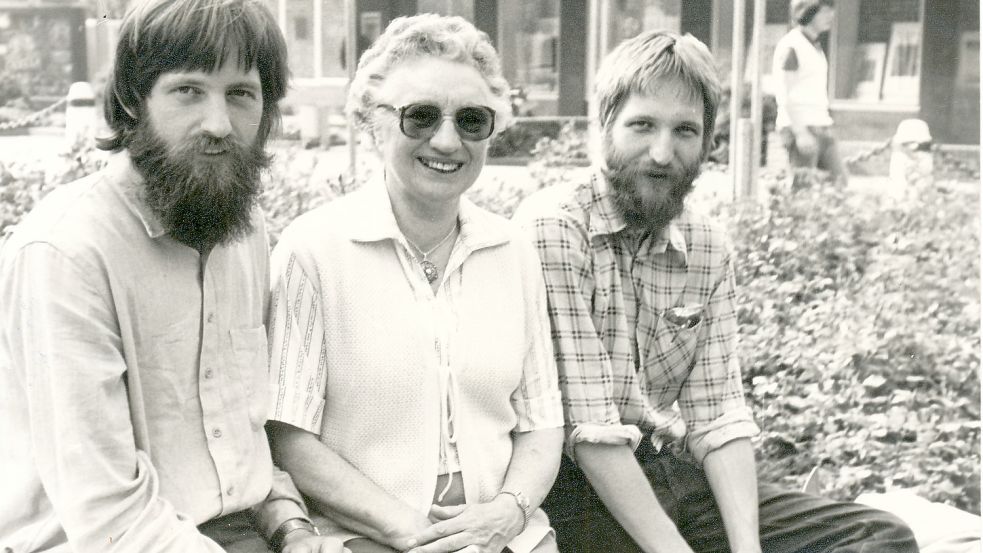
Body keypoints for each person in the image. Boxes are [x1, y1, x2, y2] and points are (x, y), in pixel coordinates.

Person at [513, 30, 919, 553]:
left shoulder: (705, 245)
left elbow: (718, 414)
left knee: (878, 536)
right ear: (604, 126)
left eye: (685, 131)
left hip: (671, 474)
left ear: (708, 142)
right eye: (642, 125)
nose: (663, 153)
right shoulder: (554, 230)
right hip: (575, 492)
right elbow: (591, 430)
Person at [0, 1, 346, 552]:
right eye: (188, 90)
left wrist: (292, 528)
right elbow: (109, 519)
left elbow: (244, 443)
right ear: (134, 102)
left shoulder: (244, 229)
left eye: (241, 94)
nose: (218, 124)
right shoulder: (66, 254)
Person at [265, 14, 565, 553]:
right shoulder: (311, 251)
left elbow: (542, 424)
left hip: (503, 538)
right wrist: (412, 531)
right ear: (372, 122)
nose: (447, 141)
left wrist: (507, 512)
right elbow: (289, 435)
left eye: (472, 119)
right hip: (363, 536)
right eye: (420, 117)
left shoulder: (513, 251)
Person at [772, 0, 847, 187]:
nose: (831, 16)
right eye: (825, 11)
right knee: (803, 190)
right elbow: (783, 92)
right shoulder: (791, 46)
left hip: (822, 124)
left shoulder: (815, 45)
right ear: (808, 12)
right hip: (801, 126)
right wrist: (799, 132)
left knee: (838, 183)